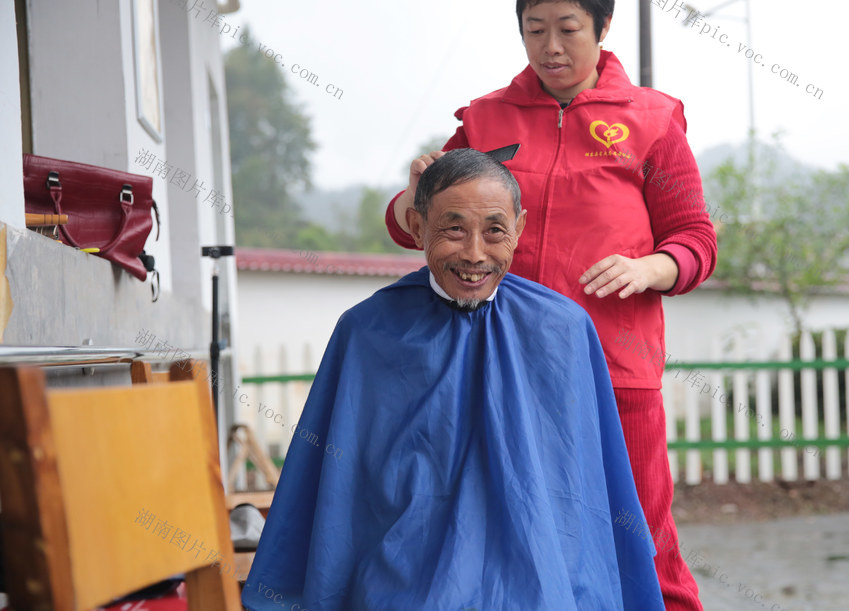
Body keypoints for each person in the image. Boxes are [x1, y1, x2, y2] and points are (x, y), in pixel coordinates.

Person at [384, 0, 716, 610]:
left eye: (568, 28)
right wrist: (410, 197)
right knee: (512, 532)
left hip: (617, 368)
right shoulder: (485, 121)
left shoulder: (651, 120)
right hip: (503, 366)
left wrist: (648, 267)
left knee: (642, 533)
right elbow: (417, 225)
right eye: (535, 29)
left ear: (603, 27)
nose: (552, 46)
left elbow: (695, 240)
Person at [242, 149, 664, 610]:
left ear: (520, 228)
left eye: (495, 230)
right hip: (407, 576)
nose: (475, 254)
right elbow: (340, 488)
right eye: (453, 229)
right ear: (418, 226)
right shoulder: (368, 331)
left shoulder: (563, 328)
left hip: (539, 575)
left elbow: (584, 486)